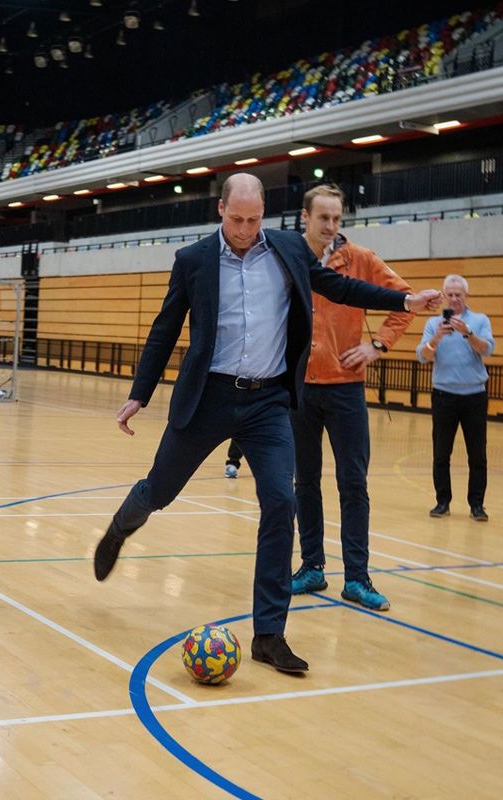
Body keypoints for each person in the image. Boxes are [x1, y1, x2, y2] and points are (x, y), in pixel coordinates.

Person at [92, 173, 441, 675]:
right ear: (220, 210)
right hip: (208, 397)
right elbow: (165, 328)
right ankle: (121, 527)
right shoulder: (193, 261)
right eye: (236, 219)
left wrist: (403, 302)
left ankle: (269, 634)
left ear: (264, 215)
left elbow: (340, 287)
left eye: (253, 219)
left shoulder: (287, 250)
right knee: (162, 489)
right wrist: (138, 394)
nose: (244, 229)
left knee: (281, 501)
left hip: (268, 402)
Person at [288, 183, 413, 612]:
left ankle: (357, 578)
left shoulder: (360, 260)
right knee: (304, 481)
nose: (331, 226)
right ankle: (312, 567)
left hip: (345, 390)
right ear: (305, 217)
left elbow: (404, 301)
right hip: (300, 388)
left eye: (337, 219)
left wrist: (376, 346)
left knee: (353, 483)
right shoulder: (290, 257)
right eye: (323, 217)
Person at [416, 274, 494, 522]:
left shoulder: (480, 321)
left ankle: (477, 505)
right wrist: (437, 338)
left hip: (474, 396)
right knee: (441, 453)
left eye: (458, 294)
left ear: (466, 296)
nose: (454, 298)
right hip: (443, 396)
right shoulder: (433, 324)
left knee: (477, 454)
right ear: (443, 297)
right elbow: (422, 356)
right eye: (449, 294)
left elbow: (487, 349)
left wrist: (468, 333)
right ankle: (442, 501)